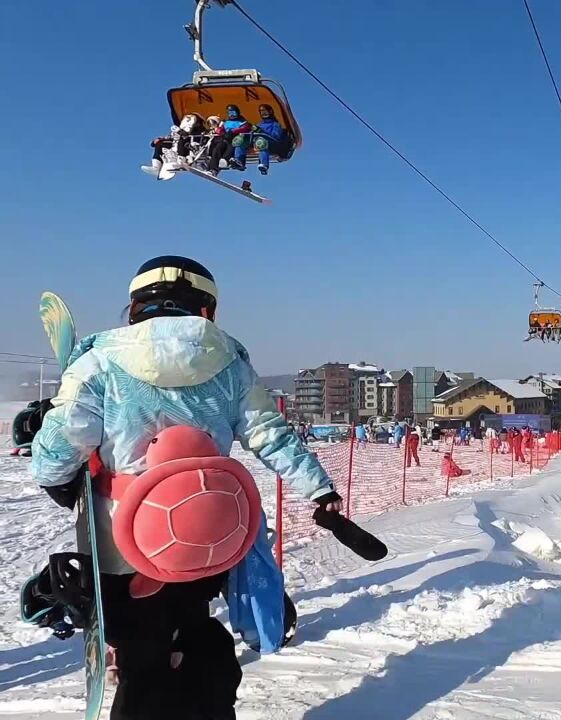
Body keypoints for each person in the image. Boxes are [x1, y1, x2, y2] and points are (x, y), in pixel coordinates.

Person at [29, 255, 342, 720]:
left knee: (141, 652)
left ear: (135, 307)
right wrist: (320, 490)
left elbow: (66, 436)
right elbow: (268, 434)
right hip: (207, 534)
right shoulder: (229, 361)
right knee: (195, 627)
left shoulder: (98, 360)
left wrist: (55, 479)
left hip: (125, 538)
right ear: (206, 310)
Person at [239, 104, 293, 175]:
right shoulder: (260, 124)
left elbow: (276, 136)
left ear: (270, 111)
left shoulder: (275, 124)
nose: (263, 112)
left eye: (265, 110)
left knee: (261, 142)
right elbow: (254, 134)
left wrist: (261, 131)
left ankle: (264, 165)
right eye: (261, 111)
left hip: (272, 143)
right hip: (258, 142)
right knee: (239, 140)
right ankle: (239, 161)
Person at [221, 105, 255, 171]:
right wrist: (222, 133)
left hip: (240, 139)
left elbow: (246, 127)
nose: (232, 115)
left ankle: (239, 161)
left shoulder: (242, 121)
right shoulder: (226, 122)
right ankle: (214, 164)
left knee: (237, 143)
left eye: (233, 113)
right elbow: (221, 129)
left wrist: (233, 131)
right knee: (220, 145)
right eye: (230, 113)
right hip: (228, 139)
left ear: (237, 112)